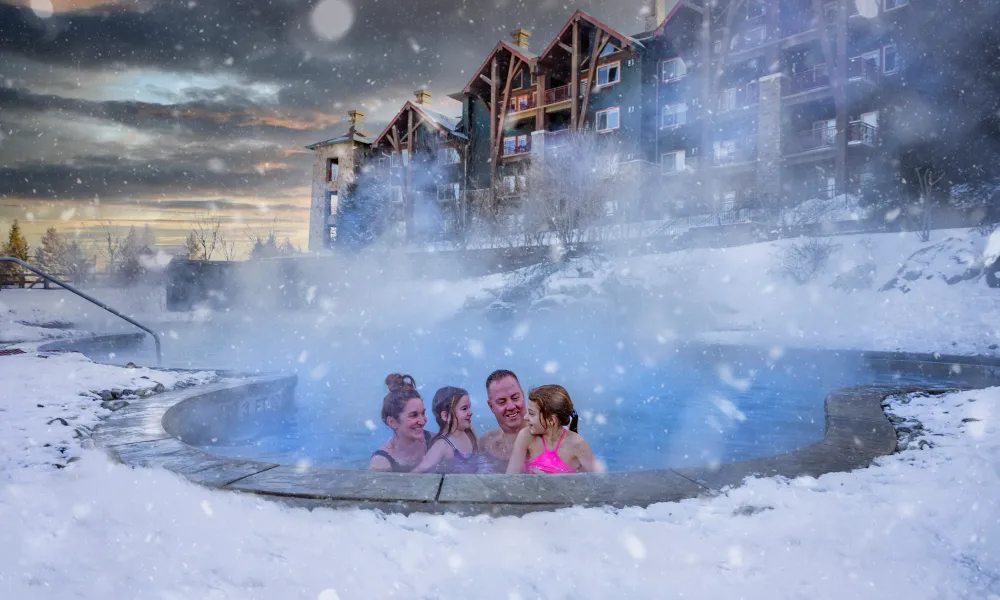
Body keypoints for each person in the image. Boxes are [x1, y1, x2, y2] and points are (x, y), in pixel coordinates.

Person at [506, 384, 601, 474]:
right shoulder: (526, 436)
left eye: (531, 413)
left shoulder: (577, 444)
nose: (525, 417)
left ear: (551, 420)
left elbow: (601, 480)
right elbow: (510, 478)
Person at [369, 373, 432, 472]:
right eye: (413, 415)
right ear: (392, 422)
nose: (422, 421)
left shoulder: (435, 441)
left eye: (423, 413)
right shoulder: (381, 463)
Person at [412, 386, 480, 473]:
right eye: (464, 408)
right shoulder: (442, 445)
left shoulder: (470, 433)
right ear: (445, 416)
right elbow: (419, 471)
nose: (470, 413)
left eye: (469, 407)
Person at [479, 369, 527, 467]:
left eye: (515, 398)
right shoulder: (486, 443)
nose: (511, 406)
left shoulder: (547, 440)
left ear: (523, 395)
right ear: (491, 406)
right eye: (502, 402)